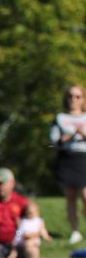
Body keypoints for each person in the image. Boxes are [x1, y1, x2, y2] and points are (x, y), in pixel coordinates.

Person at [49, 84, 86, 245]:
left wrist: (82, 134)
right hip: (67, 158)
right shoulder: (60, 118)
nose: (74, 100)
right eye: (71, 96)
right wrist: (69, 136)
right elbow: (53, 142)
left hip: (84, 158)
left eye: (78, 96)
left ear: (83, 99)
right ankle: (75, 231)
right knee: (70, 197)